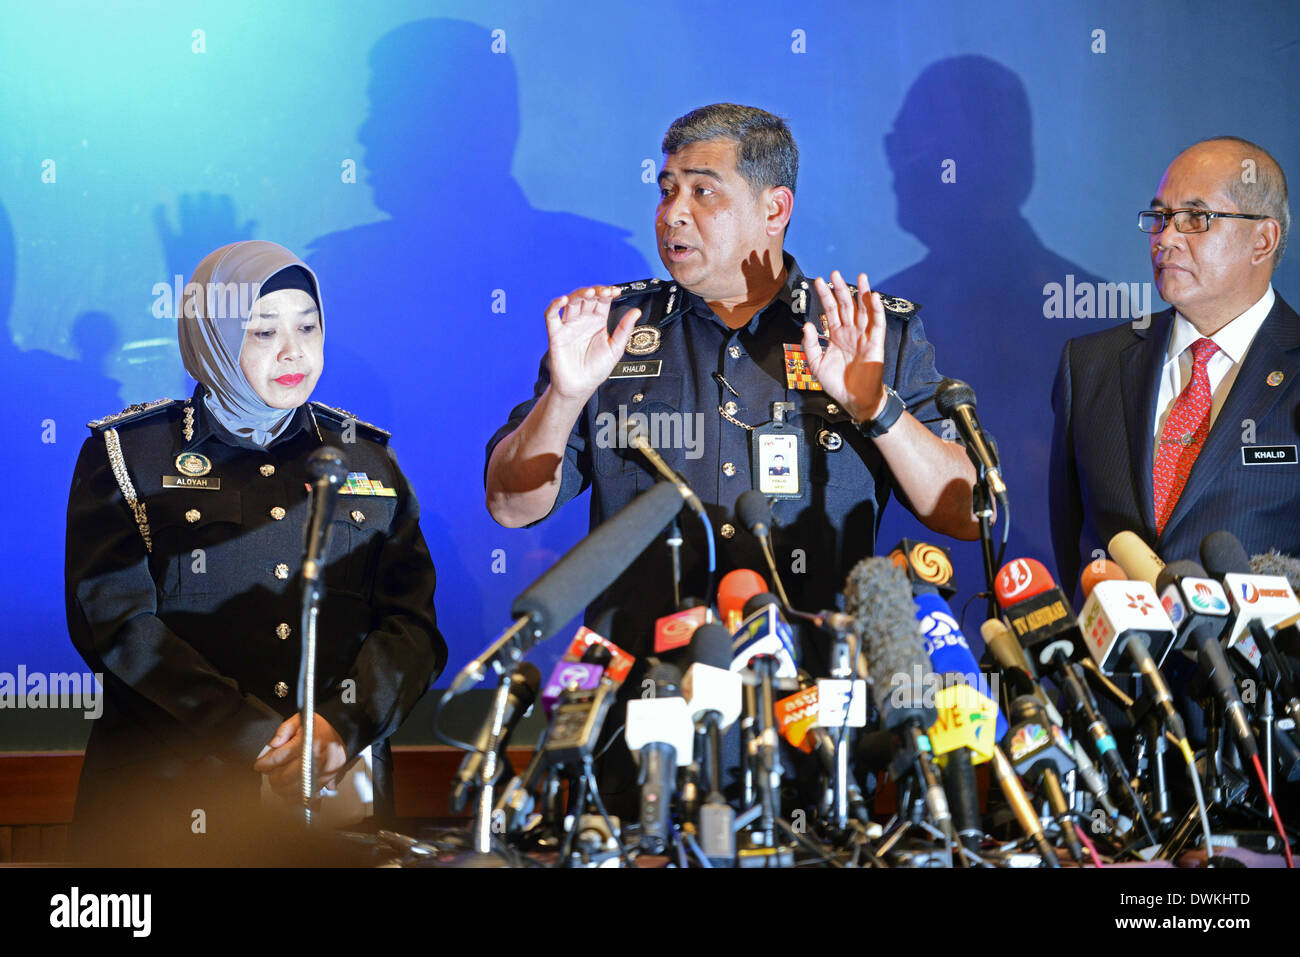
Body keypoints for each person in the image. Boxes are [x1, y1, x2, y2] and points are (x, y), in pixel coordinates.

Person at [485, 103, 978, 810]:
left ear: (775, 207)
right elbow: (510, 504)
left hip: (821, 730)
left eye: (702, 190)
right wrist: (563, 398)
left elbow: (968, 511)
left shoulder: (865, 331)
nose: (672, 214)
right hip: (636, 728)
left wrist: (879, 410)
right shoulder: (612, 331)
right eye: (665, 190)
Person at [65, 240, 445, 864]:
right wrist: (256, 738)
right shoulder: (130, 456)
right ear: (211, 337)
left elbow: (413, 628)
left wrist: (338, 728)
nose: (294, 351)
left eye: (308, 326)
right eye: (263, 331)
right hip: (165, 812)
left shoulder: (367, 458)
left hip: (334, 810)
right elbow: (116, 625)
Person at [1051, 137, 1298, 599]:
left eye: (1195, 219)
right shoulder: (1089, 366)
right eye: (1160, 218)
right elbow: (1071, 540)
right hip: (1121, 668)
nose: (1165, 239)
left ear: (1262, 241)